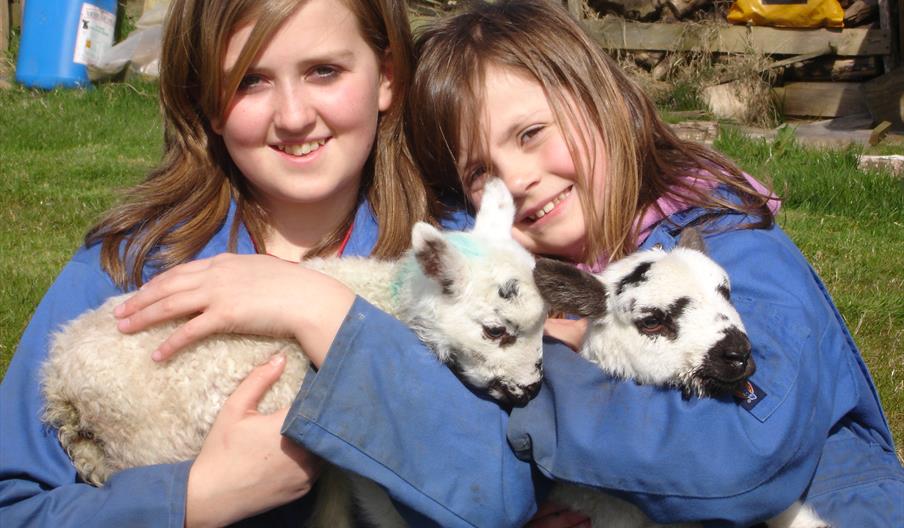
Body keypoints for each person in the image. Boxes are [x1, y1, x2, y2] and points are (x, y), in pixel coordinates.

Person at [281, 0, 903, 526]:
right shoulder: (517, 279)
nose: (518, 178)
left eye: (530, 134)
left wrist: (548, 375)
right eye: (480, 171)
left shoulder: (728, 242)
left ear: (602, 100)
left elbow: (747, 451)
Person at [0, 0, 463, 525]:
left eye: (324, 71)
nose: (292, 116)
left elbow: (516, 468)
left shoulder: (458, 260)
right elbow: (14, 503)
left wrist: (315, 307)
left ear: (387, 76)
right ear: (210, 102)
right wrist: (195, 497)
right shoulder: (128, 269)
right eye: (249, 81)